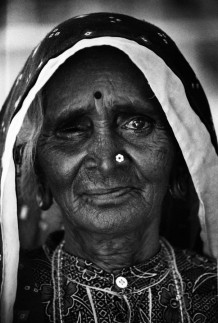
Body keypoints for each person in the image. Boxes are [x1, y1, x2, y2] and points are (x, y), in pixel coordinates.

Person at [0, 12, 217, 323]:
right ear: (41, 179)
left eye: (136, 123)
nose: (106, 161)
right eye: (72, 129)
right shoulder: (12, 296)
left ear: (182, 163)